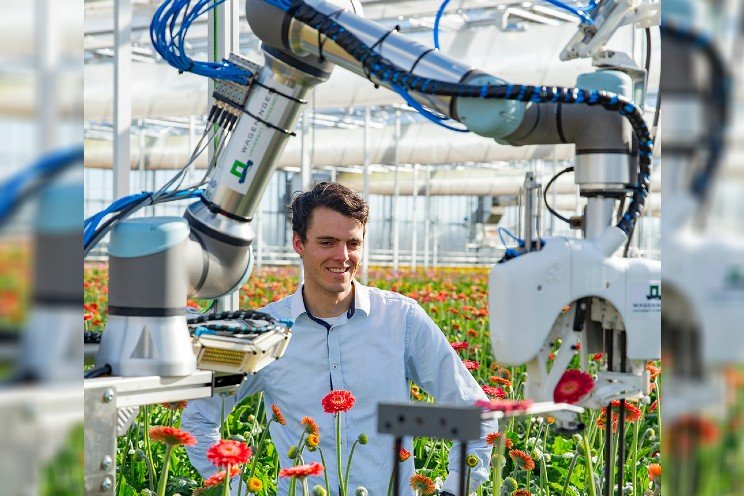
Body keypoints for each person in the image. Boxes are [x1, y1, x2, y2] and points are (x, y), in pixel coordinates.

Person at [182, 182, 495, 494]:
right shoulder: (266, 331)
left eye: (352, 243)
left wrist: (452, 490)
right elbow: (199, 420)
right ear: (298, 243)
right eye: (327, 242)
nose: (342, 256)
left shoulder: (401, 320)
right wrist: (238, 490)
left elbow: (475, 410)